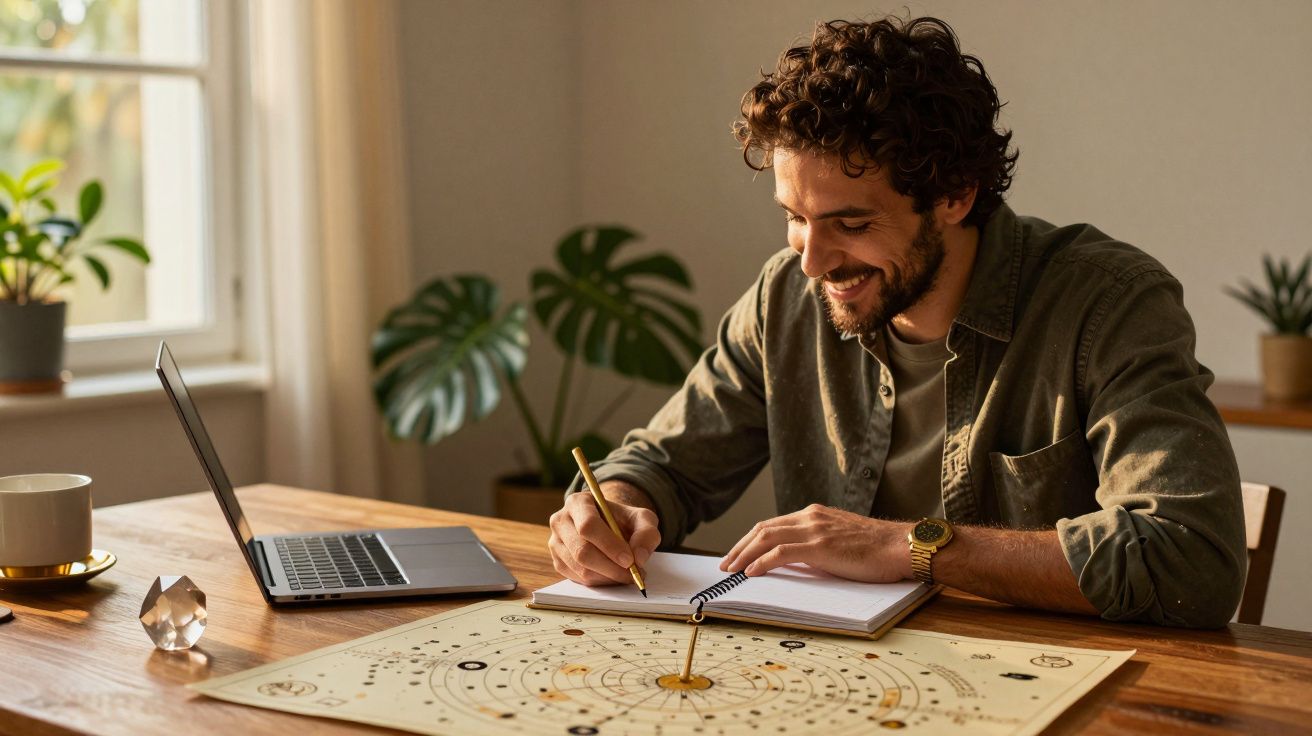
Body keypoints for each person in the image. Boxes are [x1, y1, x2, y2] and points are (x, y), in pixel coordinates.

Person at [548, 16, 1245, 627]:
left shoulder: (1109, 304)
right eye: (795, 220)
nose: (814, 261)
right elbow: (663, 465)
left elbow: (1192, 559)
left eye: (850, 223)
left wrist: (913, 546)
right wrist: (611, 507)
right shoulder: (786, 299)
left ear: (954, 194)